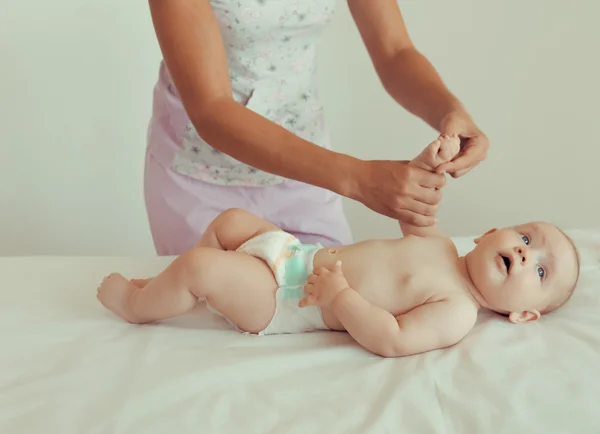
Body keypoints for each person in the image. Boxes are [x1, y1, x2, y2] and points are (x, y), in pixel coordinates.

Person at [96, 135, 580, 358]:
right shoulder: (442, 249)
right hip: (294, 254)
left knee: (200, 265)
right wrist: (426, 166)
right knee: (229, 223)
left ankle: (140, 304)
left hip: (289, 300)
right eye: (524, 237)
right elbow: (409, 210)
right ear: (486, 232)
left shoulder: (457, 310)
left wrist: (340, 298)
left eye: (539, 271)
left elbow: (393, 339)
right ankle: (184, 290)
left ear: (524, 314)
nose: (523, 254)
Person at [144, 0, 490, 255]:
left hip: (307, 173)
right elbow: (212, 108)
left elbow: (395, 51)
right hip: (201, 176)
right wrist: (358, 178)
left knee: (325, 309)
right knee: (207, 324)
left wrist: (450, 113)